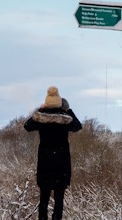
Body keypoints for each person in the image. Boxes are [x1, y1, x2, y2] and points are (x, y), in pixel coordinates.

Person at [24, 86, 82, 220]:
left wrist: (40, 109)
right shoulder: (65, 118)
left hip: (45, 164)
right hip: (61, 164)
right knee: (59, 200)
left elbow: (27, 126)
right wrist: (68, 110)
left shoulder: (41, 118)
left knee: (43, 199)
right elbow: (77, 126)